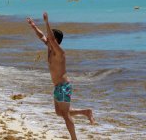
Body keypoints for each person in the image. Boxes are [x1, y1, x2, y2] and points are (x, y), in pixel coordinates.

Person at [27, 12, 95, 140]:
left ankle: (74, 138)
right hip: (57, 86)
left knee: (65, 114)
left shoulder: (60, 52)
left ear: (56, 40)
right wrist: (33, 26)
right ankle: (86, 112)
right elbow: (41, 35)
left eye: (51, 36)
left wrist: (47, 22)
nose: (48, 38)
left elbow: (50, 39)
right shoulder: (50, 48)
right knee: (59, 112)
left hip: (63, 86)